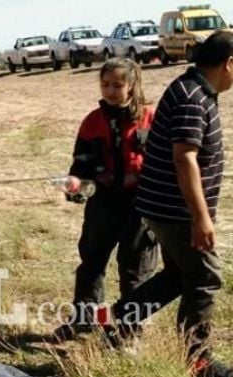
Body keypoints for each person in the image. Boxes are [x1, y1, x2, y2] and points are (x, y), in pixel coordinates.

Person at [106, 31, 233, 377]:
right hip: (176, 211)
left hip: (164, 206)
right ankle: (197, 362)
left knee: (177, 276)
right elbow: (184, 158)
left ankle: (121, 316)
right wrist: (200, 218)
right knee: (204, 278)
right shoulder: (192, 97)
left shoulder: (193, 90)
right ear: (228, 63)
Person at [53, 58, 158, 342]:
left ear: (132, 85)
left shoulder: (152, 119)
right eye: (105, 84)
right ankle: (83, 321)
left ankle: (129, 331)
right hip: (103, 203)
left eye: (117, 85)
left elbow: (167, 165)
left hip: (142, 206)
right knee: (91, 262)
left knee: (135, 268)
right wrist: (75, 184)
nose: (110, 91)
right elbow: (81, 165)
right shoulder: (92, 122)